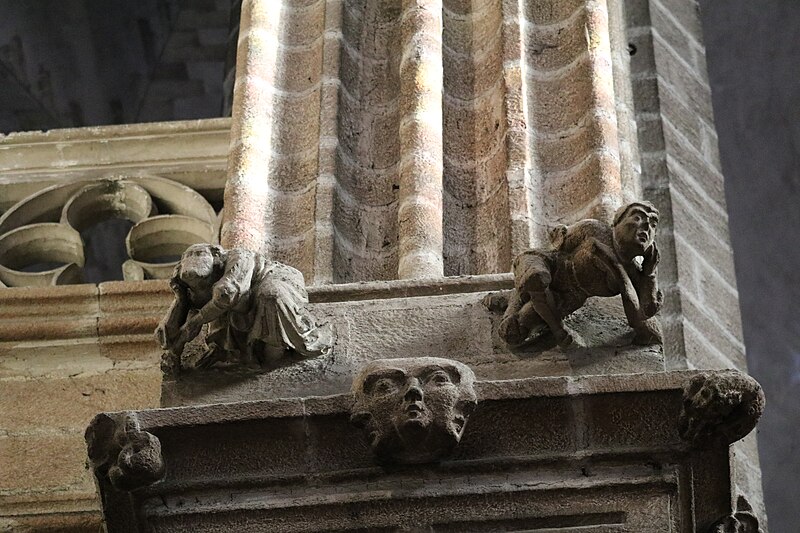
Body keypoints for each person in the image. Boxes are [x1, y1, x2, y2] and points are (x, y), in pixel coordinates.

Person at [499, 201, 663, 347]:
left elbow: (641, 317)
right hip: (550, 265)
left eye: (653, 224)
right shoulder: (595, 230)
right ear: (617, 222)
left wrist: (649, 275)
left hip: (570, 297)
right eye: (638, 217)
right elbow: (558, 244)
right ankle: (515, 298)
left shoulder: (632, 271)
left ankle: (514, 300)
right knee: (538, 276)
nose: (647, 226)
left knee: (515, 333)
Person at [156, 244, 332, 371]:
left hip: (275, 278)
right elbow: (167, 333)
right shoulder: (187, 281)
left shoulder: (239, 256)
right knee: (234, 307)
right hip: (240, 302)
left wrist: (196, 321)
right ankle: (241, 353)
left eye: (199, 253)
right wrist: (180, 300)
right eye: (189, 255)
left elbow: (228, 293)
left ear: (216, 255)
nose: (193, 258)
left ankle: (275, 351)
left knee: (270, 295)